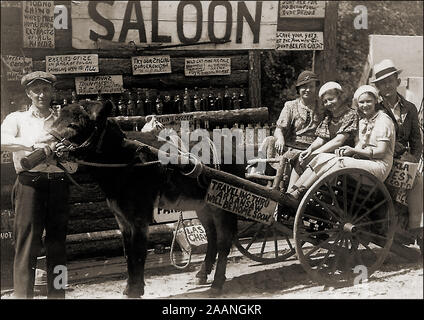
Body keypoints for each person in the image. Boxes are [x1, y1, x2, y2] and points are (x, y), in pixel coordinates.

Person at [1, 71, 76, 299]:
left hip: (59, 184)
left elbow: (74, 166)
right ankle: (23, 296)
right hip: (30, 185)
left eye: (45, 89)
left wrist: (63, 157)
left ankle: (58, 294)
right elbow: (2, 141)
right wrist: (33, 144)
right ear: (28, 93)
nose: (41, 94)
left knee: (58, 245)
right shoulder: (17, 119)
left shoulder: (63, 122)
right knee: (26, 244)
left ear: (52, 91)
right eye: (36, 90)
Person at [287, 85, 396, 199]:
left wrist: (353, 150)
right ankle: (293, 191)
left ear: (375, 101)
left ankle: (301, 192)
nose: (365, 105)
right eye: (361, 102)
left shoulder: (383, 120)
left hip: (379, 166)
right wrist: (349, 152)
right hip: (365, 163)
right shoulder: (364, 121)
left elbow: (381, 152)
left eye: (368, 101)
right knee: (322, 157)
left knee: (337, 162)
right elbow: (359, 146)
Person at [371, 59, 423, 236]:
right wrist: (401, 154)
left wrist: (413, 161)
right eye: (382, 83)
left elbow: (416, 140)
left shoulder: (410, 108)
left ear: (397, 82)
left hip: (405, 161)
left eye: (390, 81)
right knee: (414, 183)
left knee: (417, 180)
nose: (387, 86)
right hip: (382, 157)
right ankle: (391, 229)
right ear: (377, 87)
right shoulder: (375, 109)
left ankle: (416, 230)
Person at [252, 71, 323, 187]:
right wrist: (280, 139)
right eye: (304, 87)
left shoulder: (322, 107)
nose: (308, 90)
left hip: (311, 149)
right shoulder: (290, 106)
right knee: (270, 140)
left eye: (311, 86)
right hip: (290, 146)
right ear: (298, 89)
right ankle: (261, 176)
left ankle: (289, 189)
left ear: (316, 88)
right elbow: (279, 129)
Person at [290, 82, 359, 188]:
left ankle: (299, 192)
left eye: (331, 99)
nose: (328, 103)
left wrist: (317, 152)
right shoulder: (329, 118)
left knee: (318, 158)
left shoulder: (351, 114)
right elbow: (321, 139)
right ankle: (289, 193)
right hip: (328, 153)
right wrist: (310, 149)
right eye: (325, 101)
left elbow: (338, 141)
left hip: (343, 154)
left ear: (340, 97)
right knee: (300, 159)